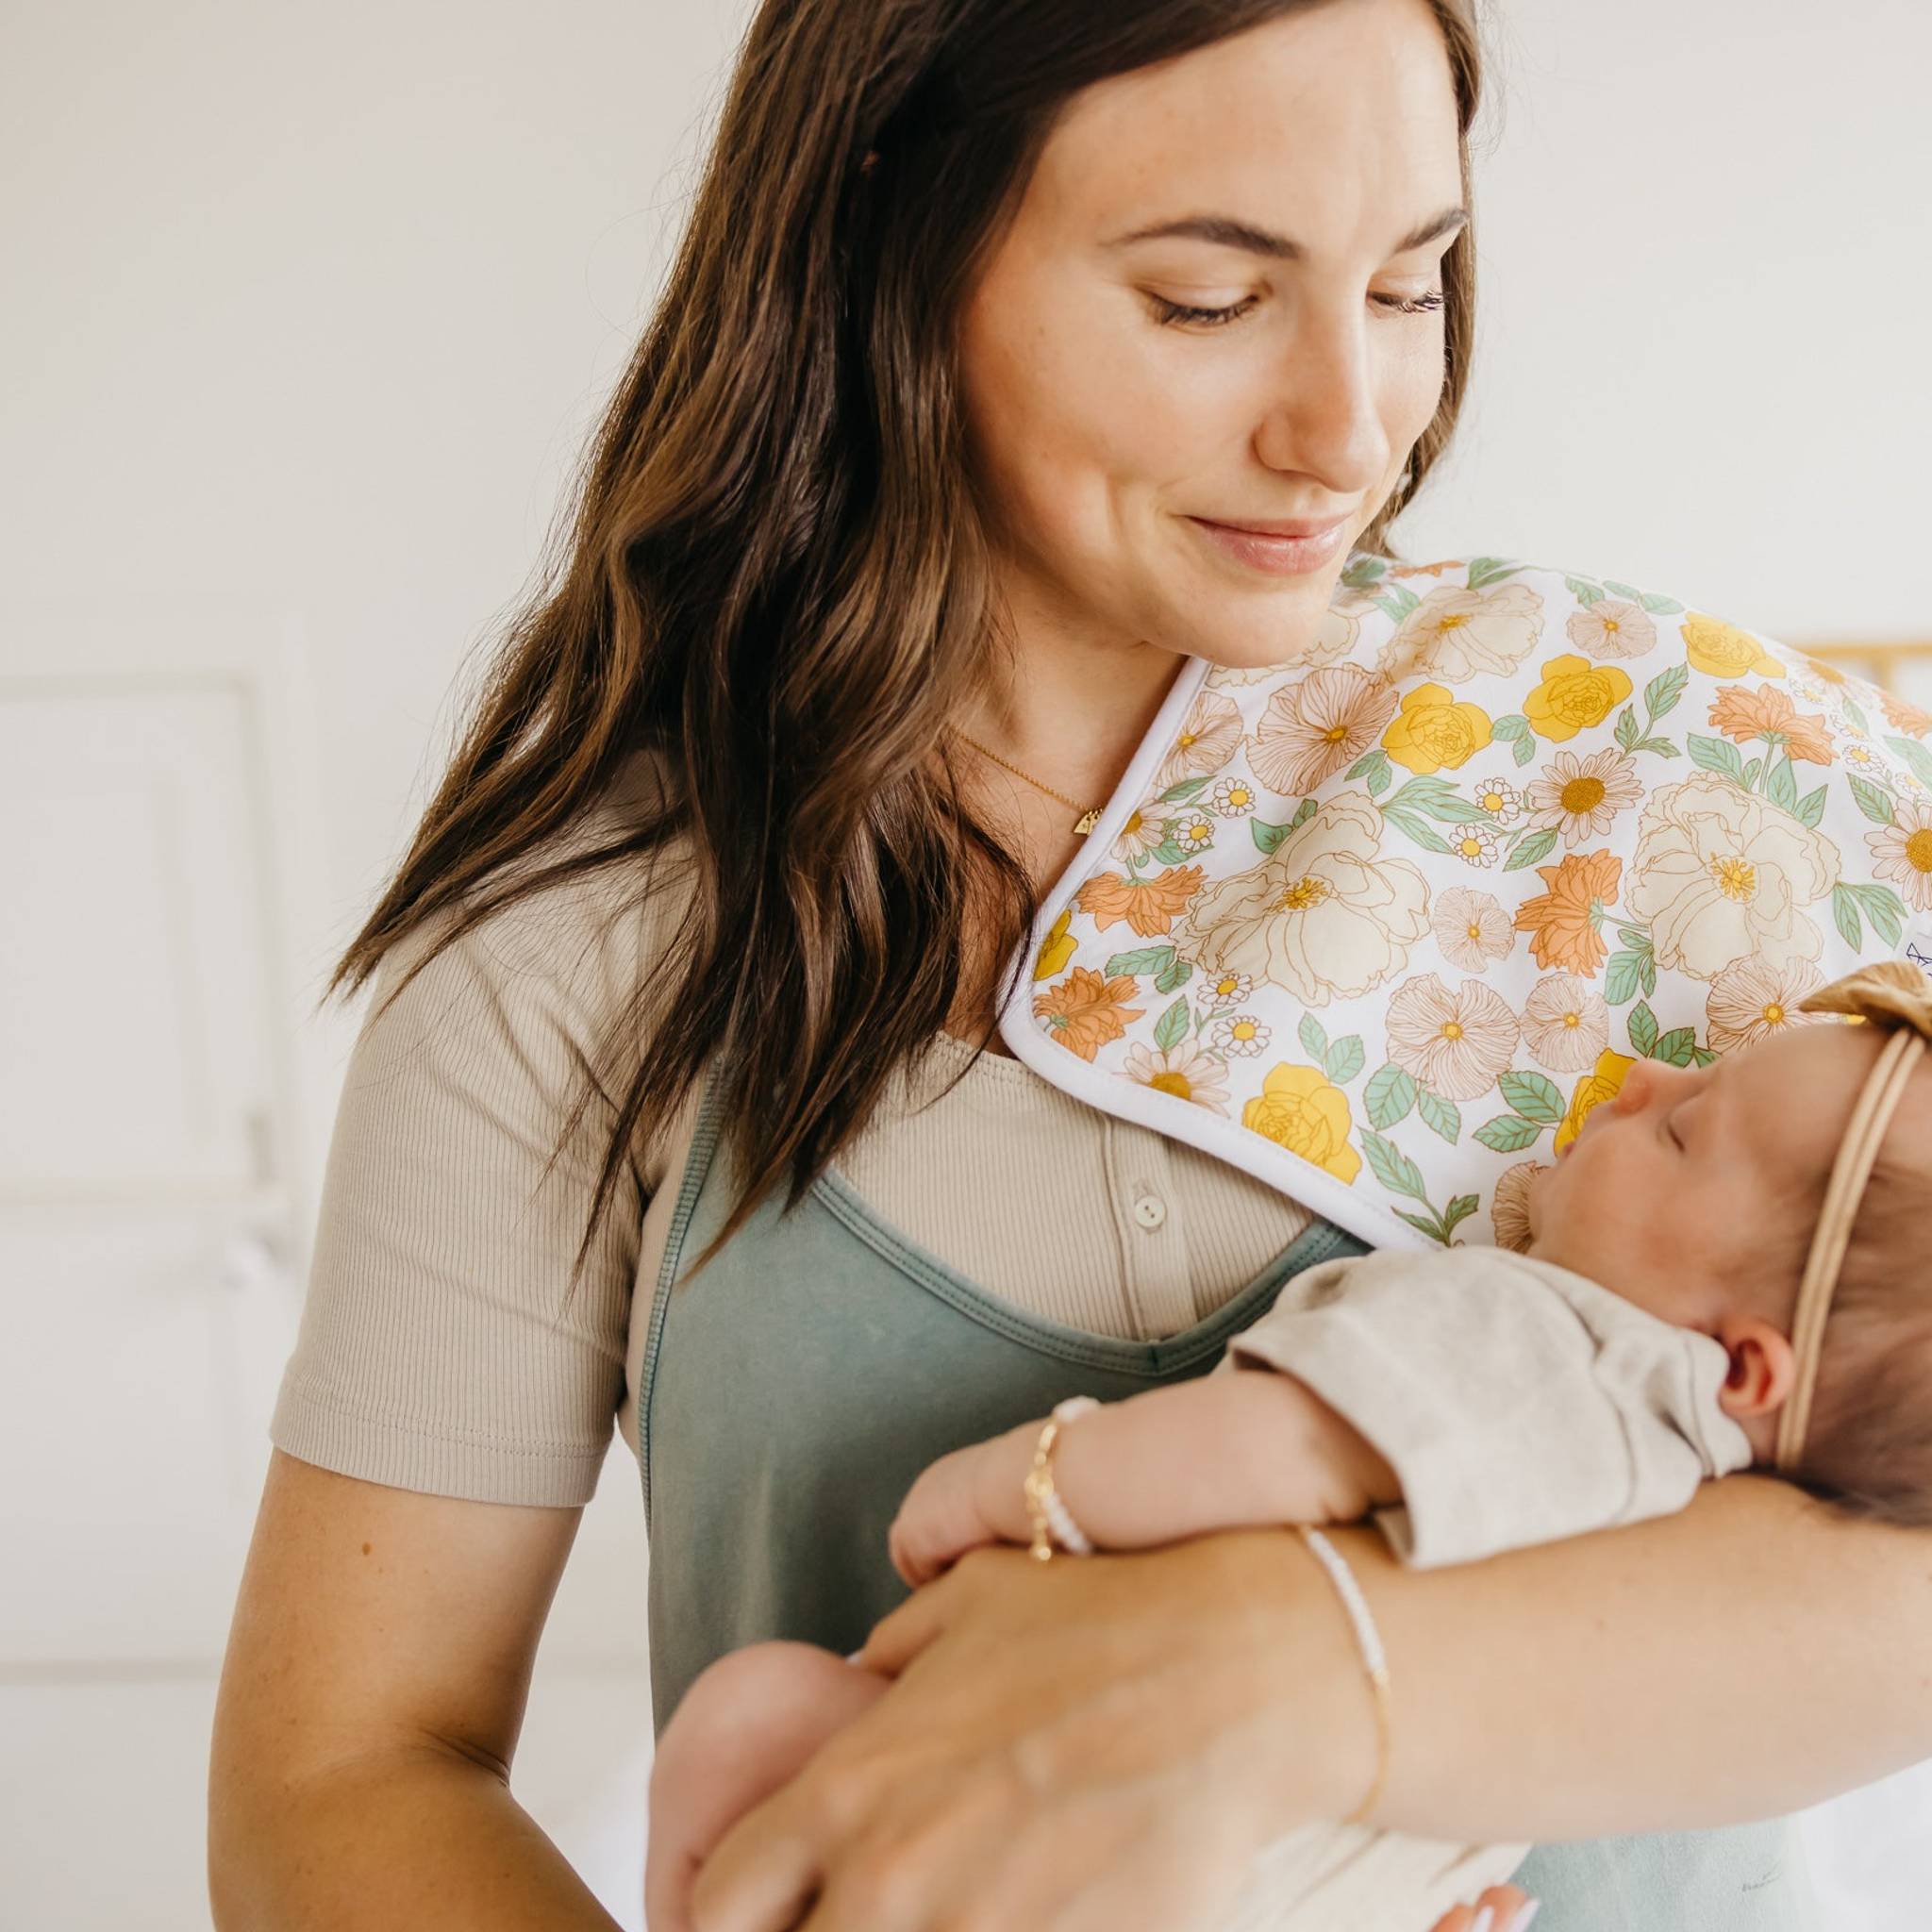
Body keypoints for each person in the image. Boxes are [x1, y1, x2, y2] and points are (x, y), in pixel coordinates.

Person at [206, 1, 1932, 1928]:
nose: (1349, 430)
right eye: (1204, 299)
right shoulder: (567, 974)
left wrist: (1272, 1670)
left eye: (1410, 282)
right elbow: (346, 1772)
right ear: (891, 239)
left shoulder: (1671, 783)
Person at [644, 960, 1932, 1931]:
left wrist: (1018, 1479)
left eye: (1682, 1133)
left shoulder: (1555, 1342)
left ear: (1747, 1361)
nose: (1643, 1079)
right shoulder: (1696, 1513)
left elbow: (1284, 1446)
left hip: (1151, 1833)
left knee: (749, 1719)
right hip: (1331, 1874)